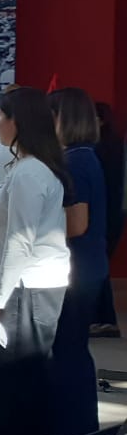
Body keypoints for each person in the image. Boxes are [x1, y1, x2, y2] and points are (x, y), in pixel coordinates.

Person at [0, 87, 71, 435]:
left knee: (14, 382)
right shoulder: (27, 166)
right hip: (30, 286)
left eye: (0, 117)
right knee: (20, 380)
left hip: (27, 289)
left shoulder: (30, 172)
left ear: (18, 122)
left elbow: (20, 241)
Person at [49, 88, 108, 435]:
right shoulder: (85, 156)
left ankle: (75, 429)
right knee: (72, 347)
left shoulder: (75, 161)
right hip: (87, 265)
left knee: (68, 349)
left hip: (76, 267)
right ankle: (78, 426)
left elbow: (77, 223)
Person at [92, 101, 123, 336]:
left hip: (104, 216)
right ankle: (104, 319)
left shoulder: (98, 149)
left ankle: (103, 319)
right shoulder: (112, 145)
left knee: (96, 268)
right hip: (113, 214)